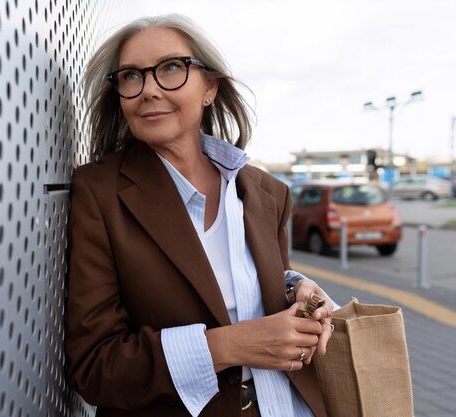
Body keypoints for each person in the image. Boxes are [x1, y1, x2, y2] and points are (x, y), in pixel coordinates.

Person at [66, 14, 338, 417]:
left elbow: (241, 285)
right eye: (130, 76)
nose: (149, 90)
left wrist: (296, 288)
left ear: (209, 86)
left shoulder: (266, 192)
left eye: (171, 68)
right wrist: (229, 345)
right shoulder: (98, 193)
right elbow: (95, 367)